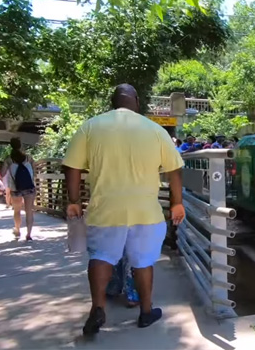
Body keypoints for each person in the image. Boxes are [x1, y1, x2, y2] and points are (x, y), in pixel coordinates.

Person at [62, 83, 185, 335]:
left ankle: (98, 308)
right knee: (143, 262)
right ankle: (146, 311)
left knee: (101, 257)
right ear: (137, 102)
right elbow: (174, 169)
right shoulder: (155, 130)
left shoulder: (90, 127)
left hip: (105, 209)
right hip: (146, 212)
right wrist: (177, 203)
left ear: (112, 102)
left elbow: (72, 168)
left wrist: (73, 200)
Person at [4, 137, 36, 241]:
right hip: (29, 187)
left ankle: (17, 230)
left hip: (15, 188)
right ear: (21, 145)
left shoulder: (9, 159)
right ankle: (29, 234)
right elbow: (34, 171)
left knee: (17, 210)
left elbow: (2, 173)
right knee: (29, 211)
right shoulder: (28, 158)